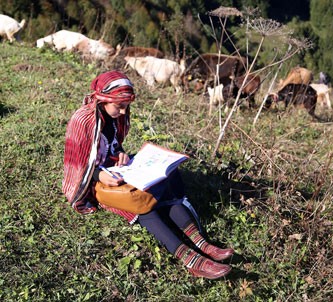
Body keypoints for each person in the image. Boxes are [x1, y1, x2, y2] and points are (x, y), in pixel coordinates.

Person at [62, 70, 234, 279]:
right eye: (120, 106)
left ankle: (201, 242)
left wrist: (120, 155)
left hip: (116, 170)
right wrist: (98, 175)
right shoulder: (82, 121)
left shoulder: (114, 116)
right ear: (104, 100)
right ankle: (190, 259)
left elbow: (112, 148)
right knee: (141, 206)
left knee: (162, 184)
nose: (125, 112)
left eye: (126, 106)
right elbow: (76, 163)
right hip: (95, 182)